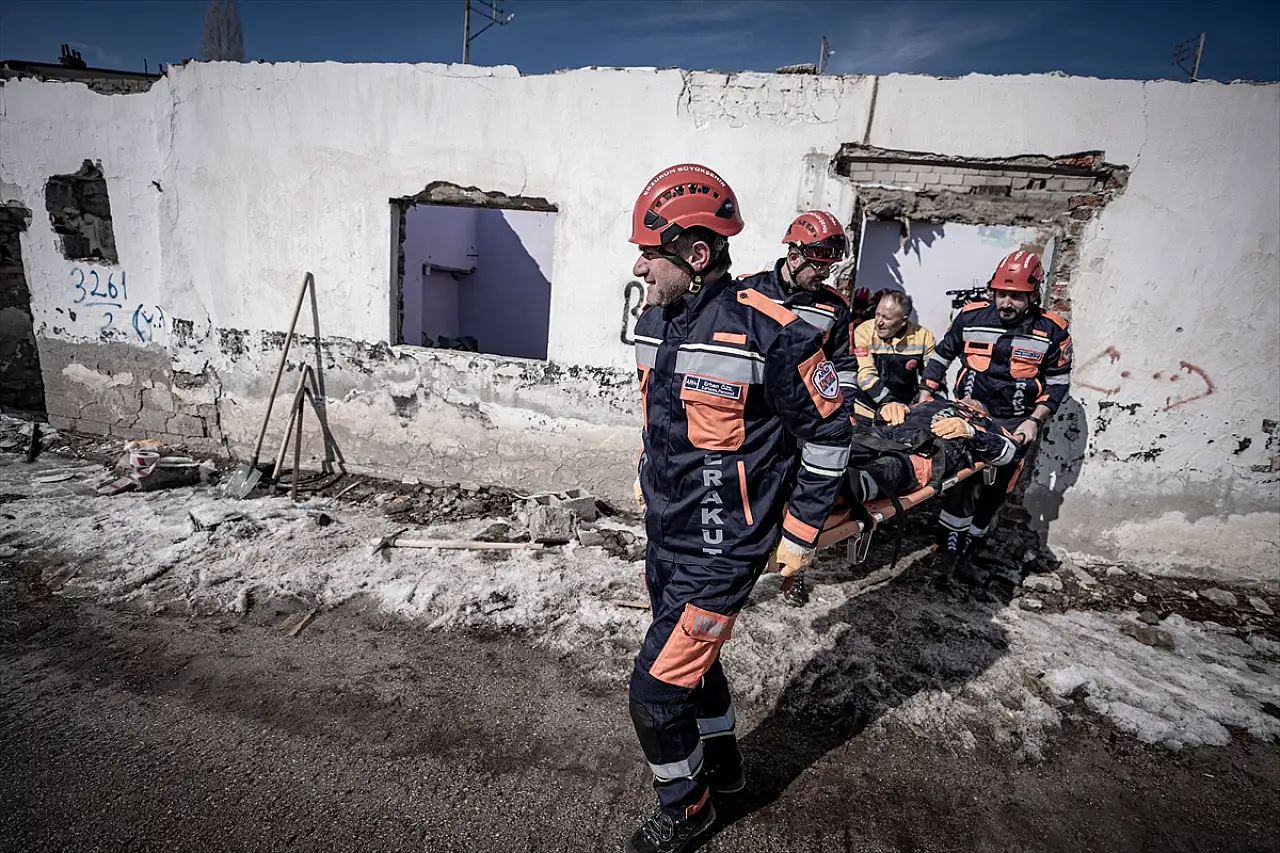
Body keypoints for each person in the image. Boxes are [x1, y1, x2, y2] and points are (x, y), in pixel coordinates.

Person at [625, 164, 852, 853]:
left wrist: (800, 532)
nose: (639, 266)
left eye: (649, 252)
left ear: (697, 255)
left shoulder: (772, 330)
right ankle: (722, 769)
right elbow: (658, 418)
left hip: (723, 547)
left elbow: (829, 431)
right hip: (667, 533)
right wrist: (647, 475)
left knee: (655, 694)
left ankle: (690, 807)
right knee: (697, 667)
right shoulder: (652, 318)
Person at [919, 249, 1073, 586]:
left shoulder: (1052, 330)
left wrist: (1035, 419)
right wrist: (926, 393)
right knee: (962, 484)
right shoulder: (970, 317)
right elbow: (942, 356)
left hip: (1013, 424)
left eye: (1016, 297)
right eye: (1001, 294)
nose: (1006, 303)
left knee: (995, 493)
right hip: (968, 415)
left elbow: (1059, 383)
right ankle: (945, 554)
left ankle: (968, 551)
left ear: (1034, 295)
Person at [735, 210, 859, 606]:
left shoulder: (834, 308)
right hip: (751, 420)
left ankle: (792, 571)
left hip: (803, 425)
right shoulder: (746, 292)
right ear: (794, 256)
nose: (825, 275)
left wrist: (843, 412)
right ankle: (734, 570)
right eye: (819, 266)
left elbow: (843, 366)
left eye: (830, 267)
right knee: (745, 496)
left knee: (798, 497)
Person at [850, 290, 937, 423]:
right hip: (866, 410)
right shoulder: (864, 331)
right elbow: (865, 375)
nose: (878, 322)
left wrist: (923, 406)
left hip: (904, 411)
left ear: (903, 321)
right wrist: (891, 404)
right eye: (877, 314)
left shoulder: (924, 337)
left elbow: (933, 375)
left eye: (887, 318)